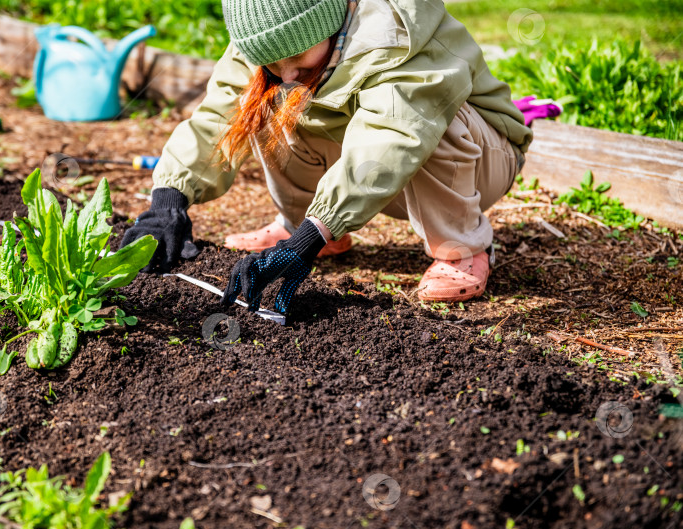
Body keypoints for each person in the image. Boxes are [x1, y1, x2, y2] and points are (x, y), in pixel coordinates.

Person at [121, 0, 533, 315]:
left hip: (478, 160)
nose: (286, 72)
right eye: (273, 62)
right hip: (386, 177)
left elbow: (391, 138)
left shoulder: (396, 34)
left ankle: (462, 249)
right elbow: (219, 115)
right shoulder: (266, 37)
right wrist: (169, 198)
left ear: (328, 23)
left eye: (298, 59)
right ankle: (309, 224)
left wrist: (309, 239)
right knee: (268, 102)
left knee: (433, 117)